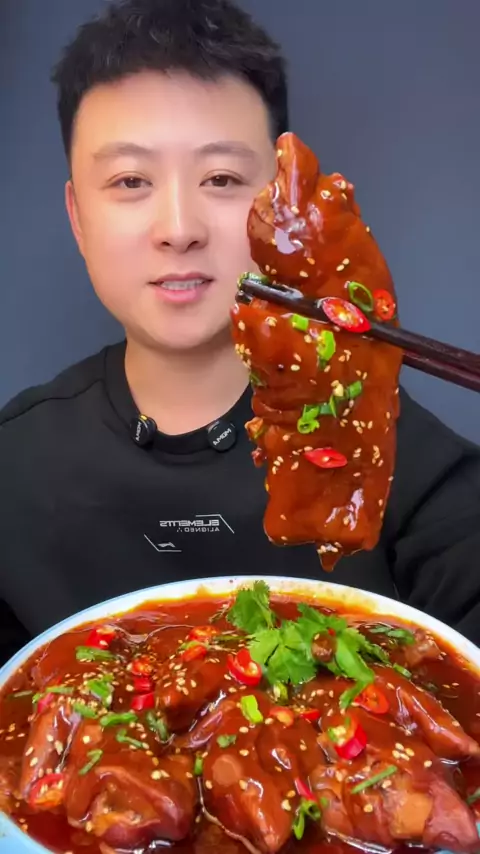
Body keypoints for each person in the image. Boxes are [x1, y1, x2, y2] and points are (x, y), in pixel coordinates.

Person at [0, 0, 479, 665]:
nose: (179, 228)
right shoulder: (14, 463)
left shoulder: (417, 472)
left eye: (221, 178)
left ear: (279, 201)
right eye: (130, 180)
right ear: (79, 217)